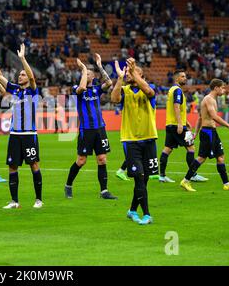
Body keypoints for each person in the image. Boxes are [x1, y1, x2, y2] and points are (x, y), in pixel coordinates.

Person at [0, 43, 43, 209]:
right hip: (14, 135)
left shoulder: (33, 91)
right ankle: (14, 201)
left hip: (29, 134)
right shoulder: (15, 90)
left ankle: (38, 199)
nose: (20, 76)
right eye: (20, 74)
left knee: (34, 165)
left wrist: (22, 59)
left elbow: (33, 78)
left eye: (23, 74)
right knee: (12, 167)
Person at [111, 58, 158, 225]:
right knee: (138, 176)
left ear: (141, 75)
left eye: (133, 73)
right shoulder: (125, 90)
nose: (129, 74)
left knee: (144, 180)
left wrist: (133, 72)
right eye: (129, 73)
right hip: (130, 141)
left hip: (149, 139)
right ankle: (146, 214)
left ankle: (132, 210)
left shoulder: (150, 88)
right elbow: (114, 99)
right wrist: (120, 78)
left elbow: (148, 91)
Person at [64, 54, 117, 200]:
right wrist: (82, 70)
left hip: (100, 128)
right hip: (86, 130)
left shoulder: (96, 89)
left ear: (93, 77)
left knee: (102, 159)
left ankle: (104, 191)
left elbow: (109, 83)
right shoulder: (77, 89)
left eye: (88, 74)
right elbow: (81, 87)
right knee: (81, 160)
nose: (85, 74)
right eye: (84, 73)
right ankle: (68, 185)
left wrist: (99, 65)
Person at [180, 79, 229, 192]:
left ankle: (226, 184)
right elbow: (214, 116)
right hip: (208, 132)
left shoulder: (213, 99)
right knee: (201, 158)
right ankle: (185, 180)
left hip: (212, 132)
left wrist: (196, 133)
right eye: (222, 87)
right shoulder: (208, 99)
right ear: (216, 88)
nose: (223, 90)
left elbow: (199, 117)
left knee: (220, 157)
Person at [159, 70, 208, 183]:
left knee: (167, 149)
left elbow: (175, 109)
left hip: (170, 124)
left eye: (185, 76)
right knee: (191, 148)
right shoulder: (177, 91)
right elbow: (176, 107)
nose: (185, 78)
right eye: (182, 76)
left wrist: (185, 122)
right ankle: (193, 174)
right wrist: (181, 124)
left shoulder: (171, 90)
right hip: (177, 125)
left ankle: (162, 176)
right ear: (177, 79)